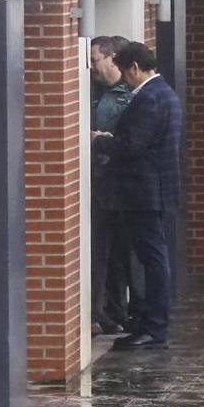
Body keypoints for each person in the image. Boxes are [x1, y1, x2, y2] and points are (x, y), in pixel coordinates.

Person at [94, 42, 184, 351]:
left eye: (124, 71)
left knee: (153, 259)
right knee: (152, 257)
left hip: (144, 191)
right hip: (153, 189)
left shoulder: (149, 98)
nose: (123, 78)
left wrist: (102, 141)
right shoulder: (164, 95)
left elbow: (132, 146)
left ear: (135, 67)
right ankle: (148, 322)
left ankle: (154, 328)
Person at [88, 37, 136, 336]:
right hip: (98, 185)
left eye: (95, 60)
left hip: (118, 184)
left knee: (119, 252)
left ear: (112, 58)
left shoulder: (129, 96)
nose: (92, 67)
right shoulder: (93, 90)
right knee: (101, 252)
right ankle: (100, 312)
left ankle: (117, 310)